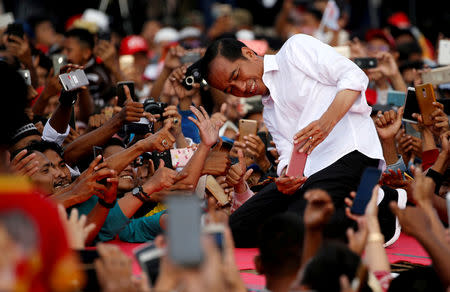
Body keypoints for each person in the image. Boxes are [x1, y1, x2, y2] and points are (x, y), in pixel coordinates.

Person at [193, 35, 384, 246]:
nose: (241, 87)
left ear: (249, 53)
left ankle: (381, 210)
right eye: (230, 89)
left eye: (236, 75)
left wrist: (326, 122)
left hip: (350, 155)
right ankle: (355, 208)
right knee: (235, 230)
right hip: (308, 178)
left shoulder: (295, 49)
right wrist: (285, 178)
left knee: (294, 228)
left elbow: (354, 76)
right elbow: (286, 158)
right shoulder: (269, 113)